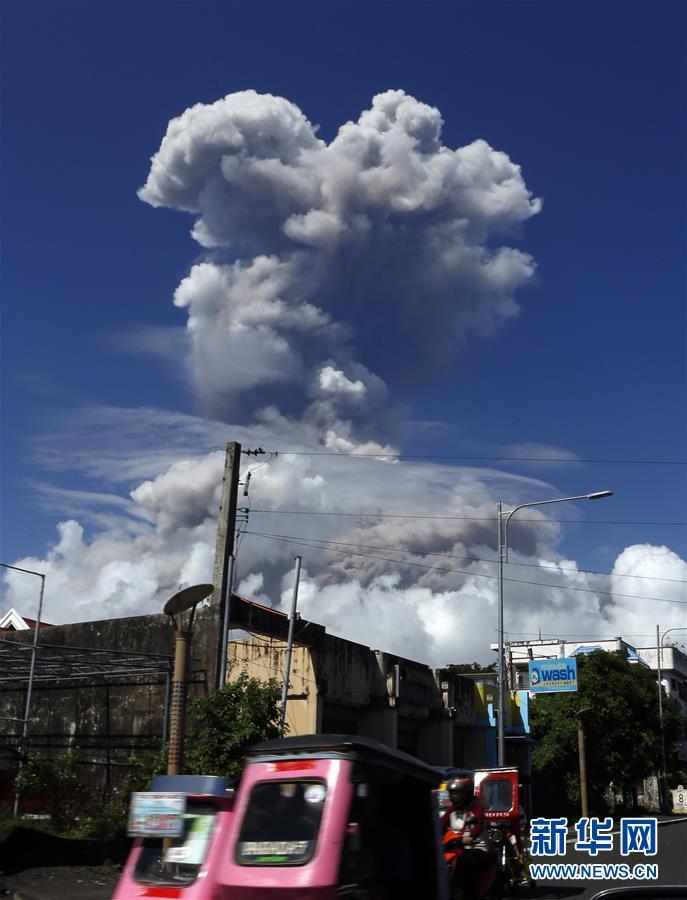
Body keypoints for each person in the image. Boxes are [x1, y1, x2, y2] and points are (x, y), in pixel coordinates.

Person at [441, 776, 494, 899]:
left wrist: (469, 836)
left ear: (467, 793)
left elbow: (476, 826)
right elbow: (441, 823)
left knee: (465, 870)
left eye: (457, 793)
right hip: (456, 847)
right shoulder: (452, 809)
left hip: (477, 847)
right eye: (452, 793)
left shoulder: (477, 807)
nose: (454, 797)